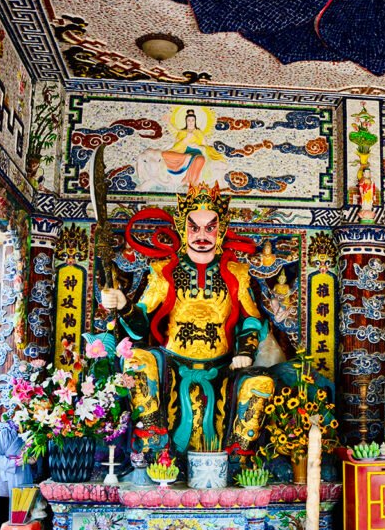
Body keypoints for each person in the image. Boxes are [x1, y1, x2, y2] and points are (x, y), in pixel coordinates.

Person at [101, 182, 275, 469]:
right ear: (183, 229)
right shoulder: (162, 272)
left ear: (221, 230)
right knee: (138, 361)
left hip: (222, 369)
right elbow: (140, 323)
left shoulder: (237, 273)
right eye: (194, 227)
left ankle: (237, 467)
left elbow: (252, 319)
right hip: (172, 365)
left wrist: (244, 351)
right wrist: (124, 306)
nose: (202, 235)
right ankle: (151, 454)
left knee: (260, 383)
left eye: (210, 228)